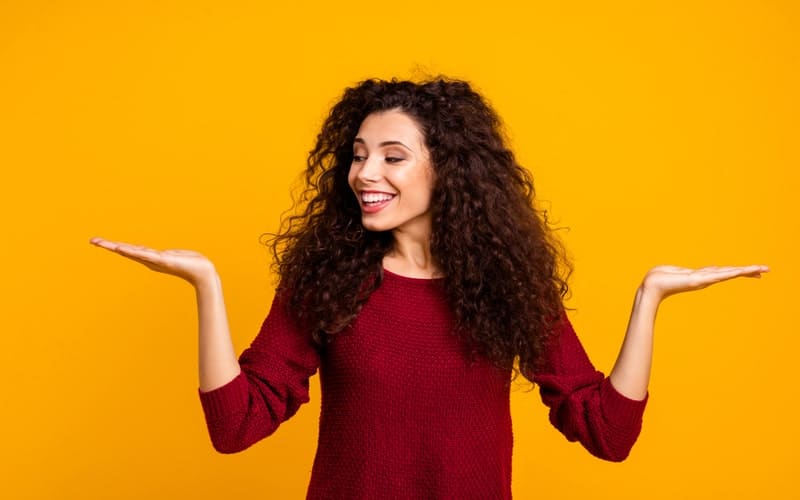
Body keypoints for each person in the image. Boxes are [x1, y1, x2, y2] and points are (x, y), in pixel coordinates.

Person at [89, 77, 768, 499]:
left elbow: (606, 432)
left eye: (391, 156)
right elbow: (237, 425)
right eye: (356, 154)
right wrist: (205, 284)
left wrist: (649, 297)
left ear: (450, 171)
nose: (364, 173)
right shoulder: (327, 282)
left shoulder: (509, 286)